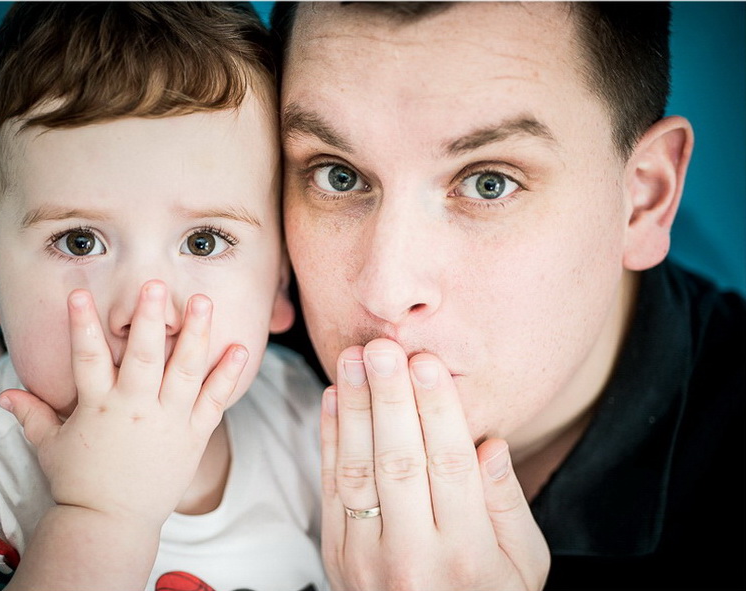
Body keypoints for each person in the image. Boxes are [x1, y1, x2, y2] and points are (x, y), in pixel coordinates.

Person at [272, 2, 745, 590]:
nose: (386, 292)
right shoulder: (215, 379)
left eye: (488, 183)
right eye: (337, 175)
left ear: (644, 199)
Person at [0, 3, 328, 590]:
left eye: (204, 242)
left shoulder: (303, 418)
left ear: (280, 280)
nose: (145, 313)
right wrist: (104, 517)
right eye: (80, 241)